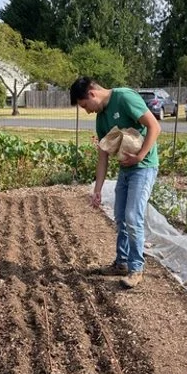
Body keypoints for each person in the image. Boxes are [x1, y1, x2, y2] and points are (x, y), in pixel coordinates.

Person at [70, 77, 161, 288]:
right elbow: (103, 156)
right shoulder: (101, 118)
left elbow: (154, 126)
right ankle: (121, 263)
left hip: (144, 166)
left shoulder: (124, 97)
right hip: (126, 169)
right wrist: (97, 190)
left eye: (84, 106)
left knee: (132, 216)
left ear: (92, 94)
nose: (86, 111)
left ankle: (136, 268)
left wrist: (140, 156)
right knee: (120, 216)